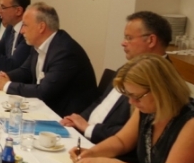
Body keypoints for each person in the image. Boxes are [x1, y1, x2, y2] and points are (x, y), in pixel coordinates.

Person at [72, 55, 194, 163]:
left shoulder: (190, 123)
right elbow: (122, 141)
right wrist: (92, 152)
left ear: (160, 90)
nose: (132, 102)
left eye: (136, 97)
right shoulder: (147, 109)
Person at [61, 11, 172, 146]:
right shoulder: (129, 67)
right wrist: (77, 120)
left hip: (110, 147)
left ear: (151, 40)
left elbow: (135, 133)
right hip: (87, 136)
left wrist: (89, 129)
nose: (123, 43)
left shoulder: (162, 80)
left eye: (129, 38)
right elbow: (101, 102)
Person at [0, 2, 97, 117]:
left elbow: (43, 91)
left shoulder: (65, 52)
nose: (22, 31)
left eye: (25, 25)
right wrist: (4, 77)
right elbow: (26, 70)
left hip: (66, 116)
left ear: (41, 27)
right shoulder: (38, 44)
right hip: (46, 107)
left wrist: (7, 85)